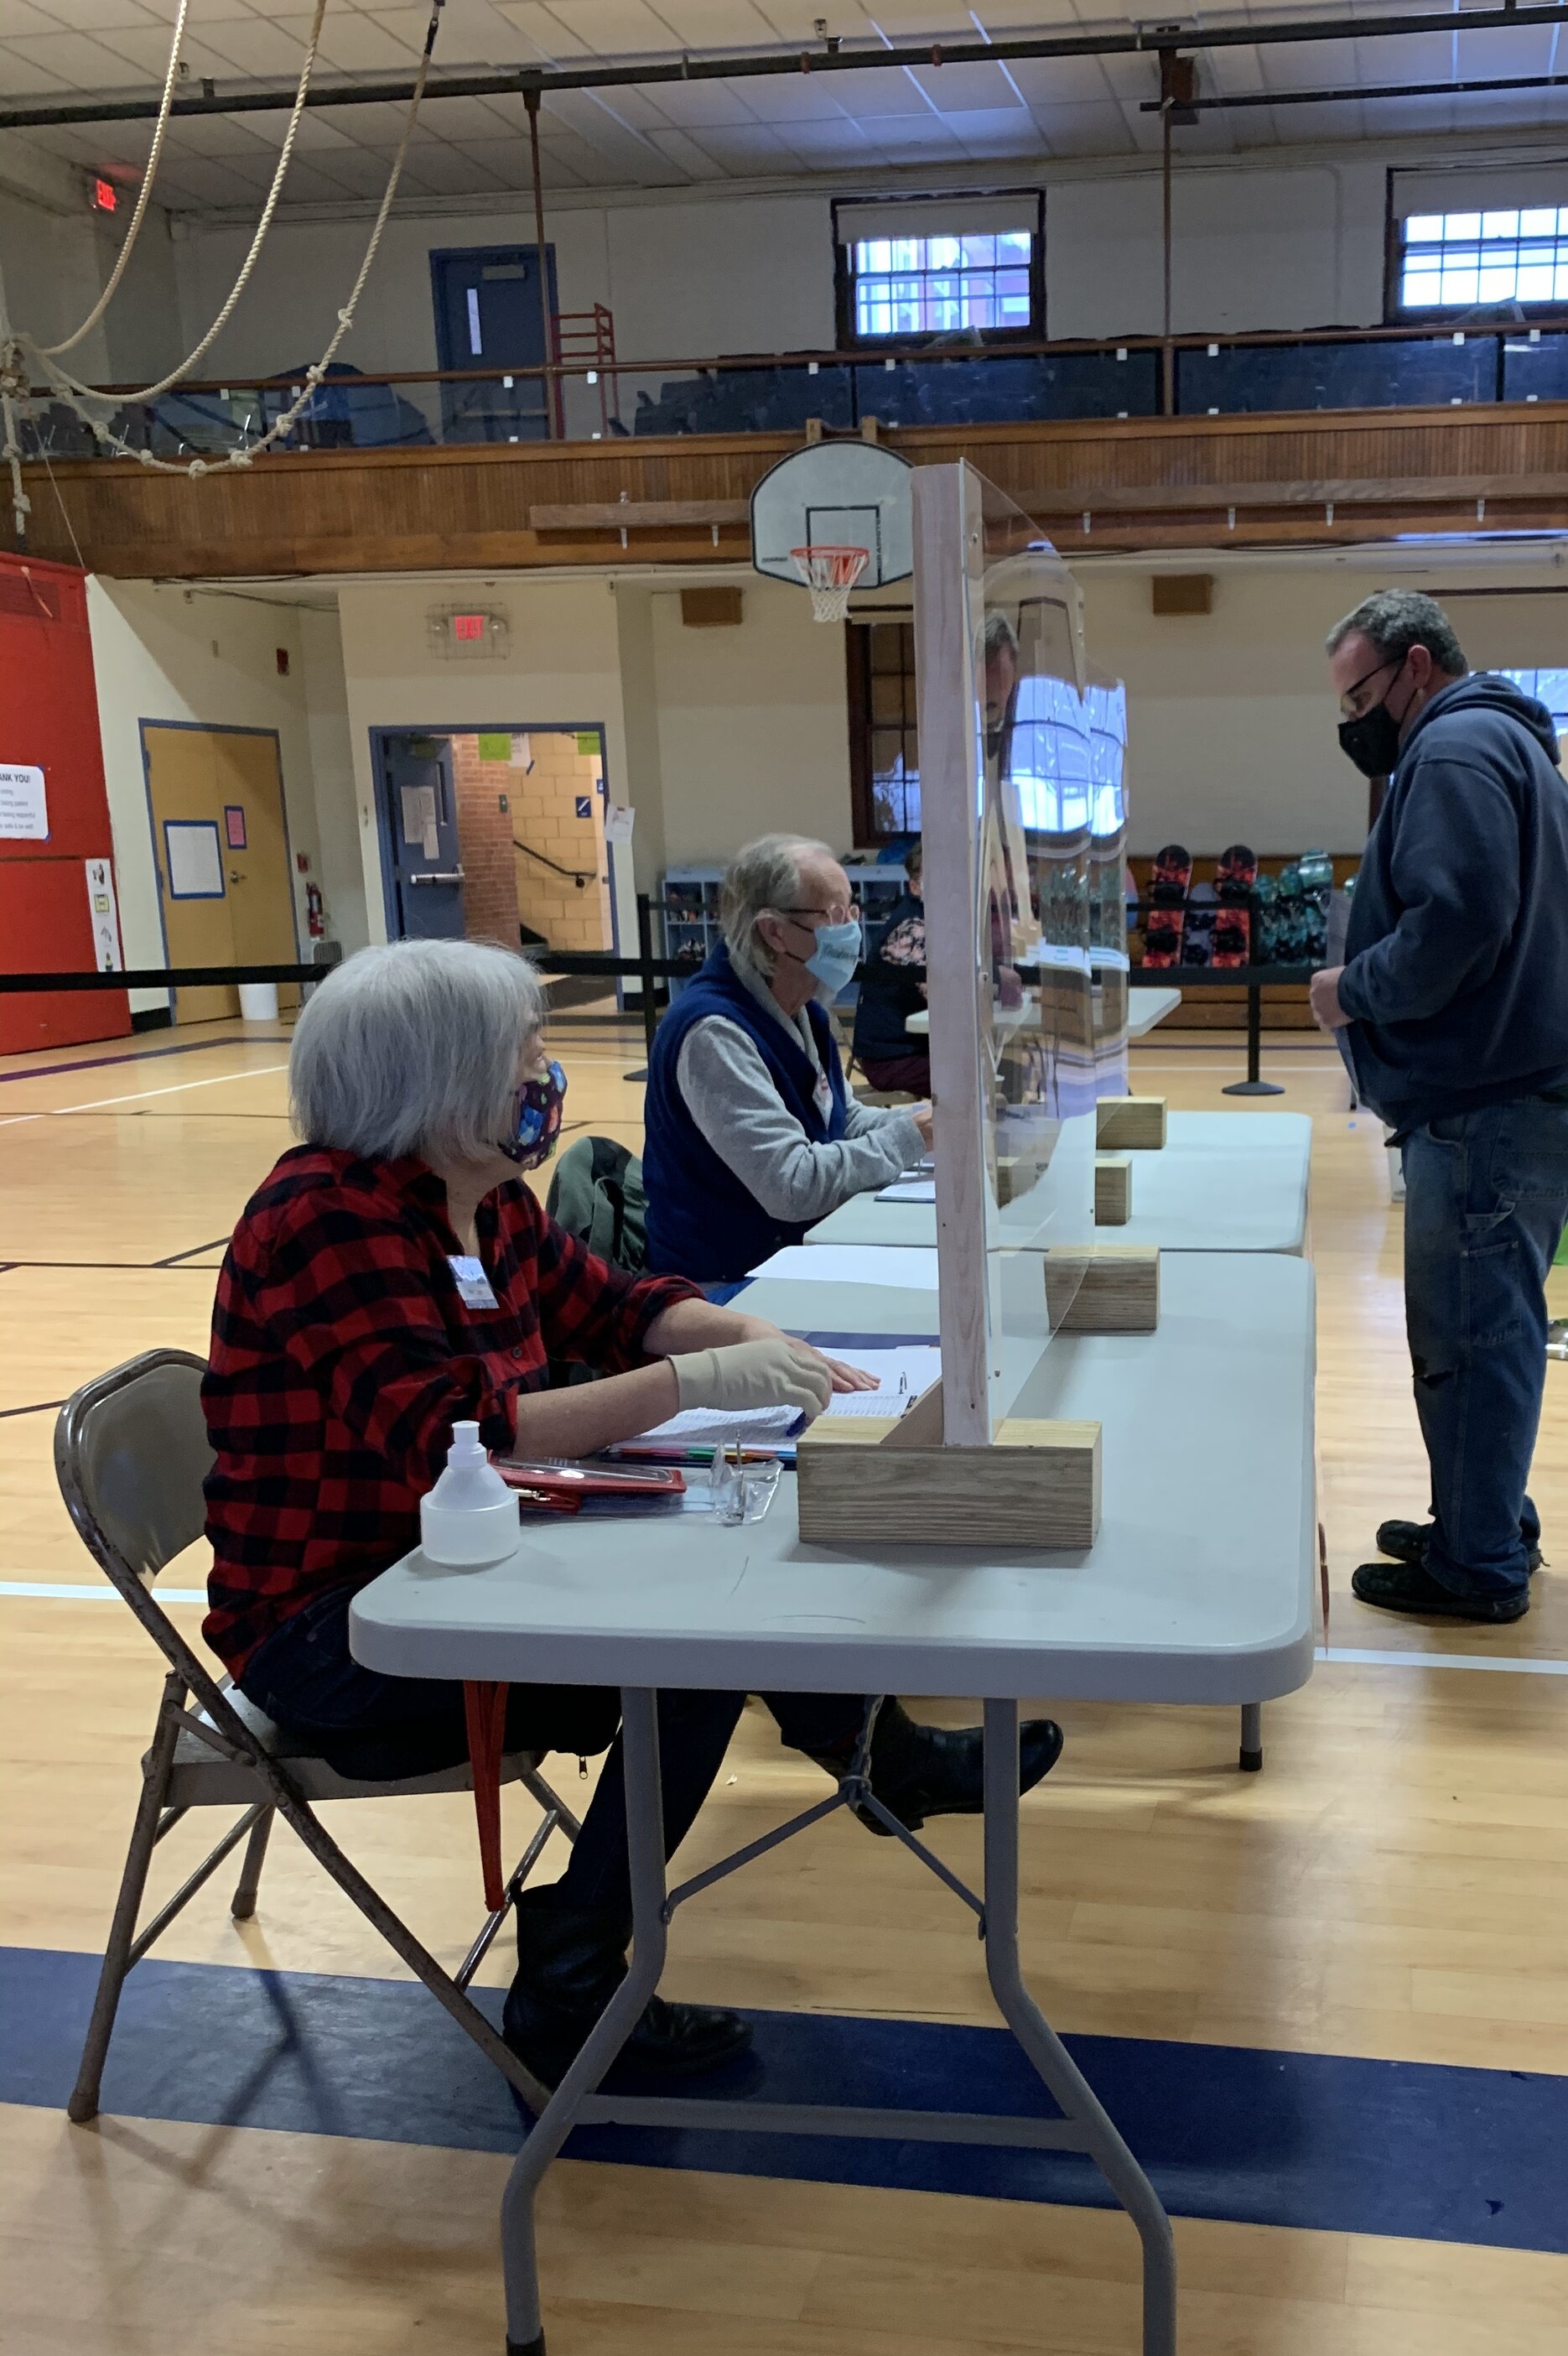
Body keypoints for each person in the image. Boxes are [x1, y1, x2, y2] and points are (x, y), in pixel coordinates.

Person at [203, 941, 1061, 2093]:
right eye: (523, 1054)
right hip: (338, 1623)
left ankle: (875, 1755)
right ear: (440, 1076)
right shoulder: (320, 1219)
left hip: (467, 1553)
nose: (541, 1075)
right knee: (695, 1652)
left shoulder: (481, 1199)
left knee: (726, 1562)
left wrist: (736, 1336)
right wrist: (688, 1389)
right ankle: (571, 1977)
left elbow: (614, 1306)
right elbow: (457, 1429)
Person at [1309, 589, 1568, 1626]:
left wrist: (1348, 990)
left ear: (1416, 667)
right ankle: (1480, 1520)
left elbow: (1460, 923)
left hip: (1491, 1103)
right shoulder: (1508, 743)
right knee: (1487, 1332)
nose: (1354, 720)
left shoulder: (1449, 752)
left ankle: (1476, 1563)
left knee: (1473, 1339)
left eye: (1360, 695)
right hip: (1522, 1090)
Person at [645, 834, 932, 1288]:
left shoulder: (803, 1010)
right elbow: (791, 1185)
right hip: (724, 1283)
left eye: (852, 912)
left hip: (787, 1256)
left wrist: (926, 1120)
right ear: (774, 931)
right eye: (834, 915)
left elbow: (838, 1118)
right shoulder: (714, 1033)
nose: (851, 929)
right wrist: (912, 1135)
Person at [851, 843, 932, 1097]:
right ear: (915, 886)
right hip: (890, 1058)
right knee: (971, 1076)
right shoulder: (912, 927)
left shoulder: (924, 915)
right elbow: (944, 998)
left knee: (980, 1068)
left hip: (906, 1049)